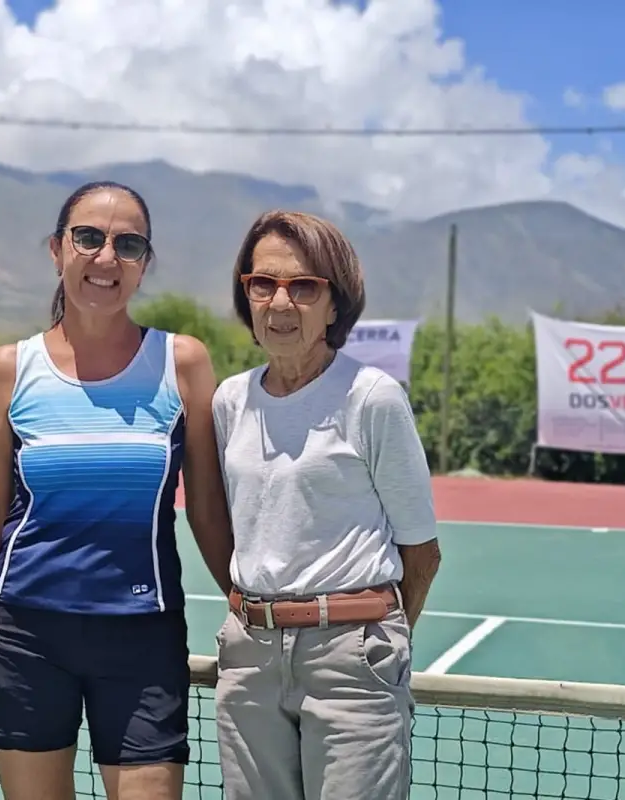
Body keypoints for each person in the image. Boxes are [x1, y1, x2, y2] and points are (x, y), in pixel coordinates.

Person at [0, 181, 235, 800]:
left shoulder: (182, 363)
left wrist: (246, 601)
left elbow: (208, 510)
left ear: (143, 264)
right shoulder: (8, 369)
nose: (106, 257)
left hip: (142, 637)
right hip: (22, 635)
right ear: (57, 250)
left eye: (128, 244)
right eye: (88, 237)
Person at [211, 209, 442, 800]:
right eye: (263, 283)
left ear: (335, 304)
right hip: (248, 660)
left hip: (353, 659)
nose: (280, 302)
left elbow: (422, 552)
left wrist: (369, 642)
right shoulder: (230, 400)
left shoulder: (373, 398)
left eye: (303, 286)